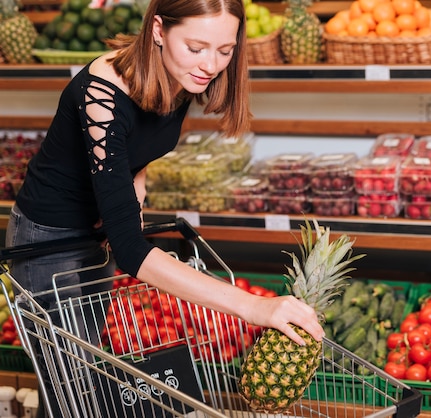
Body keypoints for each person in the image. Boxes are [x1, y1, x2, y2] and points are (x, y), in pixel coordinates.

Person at [5, 0, 324, 415]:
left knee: (80, 379)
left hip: (96, 233)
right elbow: (132, 251)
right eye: (197, 47)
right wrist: (255, 307)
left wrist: (134, 182)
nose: (211, 64)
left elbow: (142, 139)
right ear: (158, 29)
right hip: (47, 241)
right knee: (70, 382)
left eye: (225, 50)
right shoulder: (100, 94)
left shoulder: (180, 73)